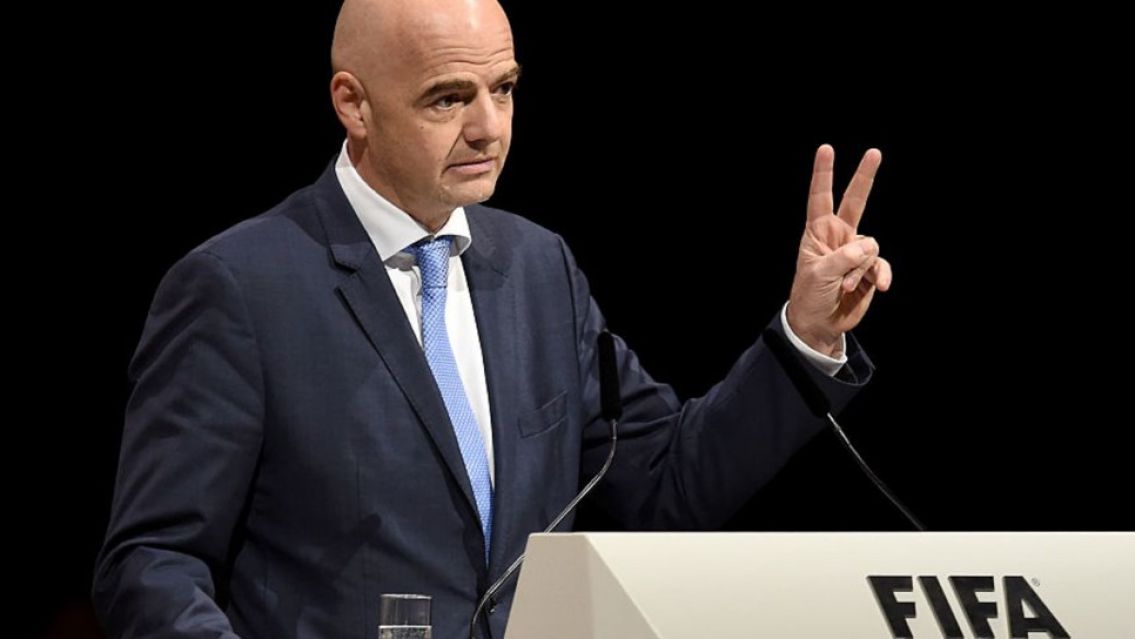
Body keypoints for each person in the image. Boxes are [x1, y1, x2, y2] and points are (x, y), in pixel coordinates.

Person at [92, 0, 891, 636]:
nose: (488, 127)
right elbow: (153, 559)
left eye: (502, 89)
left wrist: (807, 333)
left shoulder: (539, 269)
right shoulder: (239, 287)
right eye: (448, 98)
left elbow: (666, 485)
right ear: (353, 104)